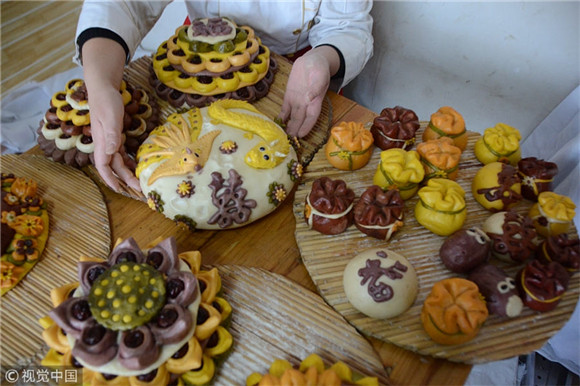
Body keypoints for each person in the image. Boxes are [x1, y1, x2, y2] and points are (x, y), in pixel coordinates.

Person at [74, 0, 374, 192]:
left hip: (301, 71)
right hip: (196, 57)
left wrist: (324, 58)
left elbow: (348, 26)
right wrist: (101, 83)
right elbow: (124, 3)